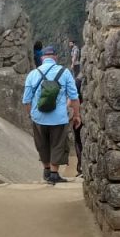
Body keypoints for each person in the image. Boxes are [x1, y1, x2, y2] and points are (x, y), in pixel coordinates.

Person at [22, 44, 81, 185]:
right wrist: (77, 115)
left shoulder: (33, 74)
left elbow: (26, 100)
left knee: (42, 144)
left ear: (42, 58)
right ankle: (55, 174)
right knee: (58, 144)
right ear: (55, 57)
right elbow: (74, 97)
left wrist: (32, 114)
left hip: (39, 118)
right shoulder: (65, 72)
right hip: (59, 118)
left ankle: (46, 171)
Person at [67, 37, 84, 176]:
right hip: (88, 114)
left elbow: (73, 98)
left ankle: (80, 168)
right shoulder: (83, 81)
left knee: (78, 140)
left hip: (79, 115)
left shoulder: (76, 83)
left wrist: (73, 114)